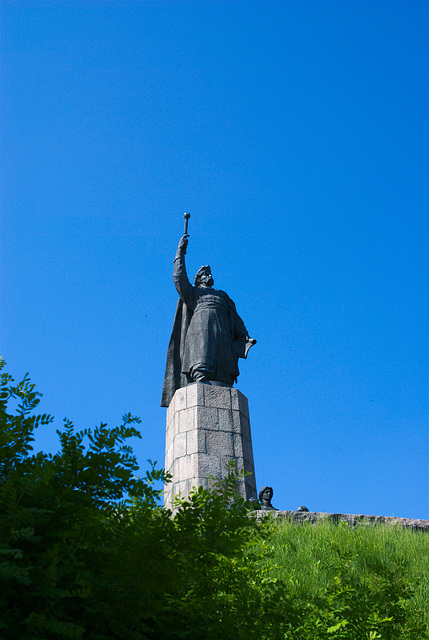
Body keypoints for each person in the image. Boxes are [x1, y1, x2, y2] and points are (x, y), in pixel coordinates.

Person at [161, 234, 256, 407]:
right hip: (201, 328)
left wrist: (244, 336)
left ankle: (221, 377)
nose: (209, 276)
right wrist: (180, 252)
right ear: (198, 279)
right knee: (202, 358)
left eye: (209, 273)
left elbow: (235, 318)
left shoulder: (222, 295)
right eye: (205, 274)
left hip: (223, 332)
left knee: (223, 365)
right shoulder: (194, 293)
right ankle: (199, 374)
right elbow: (179, 278)